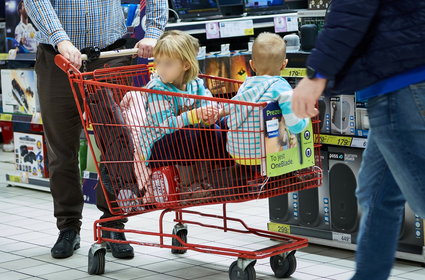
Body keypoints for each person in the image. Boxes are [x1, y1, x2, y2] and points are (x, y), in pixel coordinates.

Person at [23, 0, 168, 259]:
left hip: (110, 57)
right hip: (58, 58)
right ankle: (68, 227)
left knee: (119, 142)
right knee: (61, 148)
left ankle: (113, 223)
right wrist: (61, 39)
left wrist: (154, 33)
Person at [291, 1, 425, 279]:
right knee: (376, 195)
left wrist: (317, 74)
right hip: (399, 79)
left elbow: (352, 9)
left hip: (399, 83)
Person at [140, 30, 227, 187]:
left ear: (186, 65)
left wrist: (210, 113)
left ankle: (207, 179)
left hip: (183, 144)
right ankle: (187, 184)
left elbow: (208, 102)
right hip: (158, 147)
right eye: (157, 62)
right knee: (188, 133)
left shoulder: (195, 83)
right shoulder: (157, 89)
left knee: (215, 129)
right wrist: (194, 116)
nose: (161, 68)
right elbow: (164, 125)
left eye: (168, 64)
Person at [223, 32, 308, 168]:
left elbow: (234, 107)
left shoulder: (245, 85)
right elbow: (295, 125)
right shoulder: (281, 88)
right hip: (264, 155)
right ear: (284, 64)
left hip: (237, 152)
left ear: (251, 65)